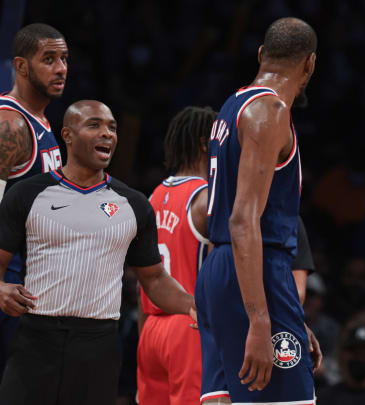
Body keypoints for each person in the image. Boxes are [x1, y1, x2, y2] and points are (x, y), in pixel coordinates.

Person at [0, 100, 196, 405]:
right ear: (67, 134)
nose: (107, 134)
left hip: (99, 344)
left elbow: (155, 280)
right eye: (94, 125)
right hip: (35, 339)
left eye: (112, 128)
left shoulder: (134, 204)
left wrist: (192, 305)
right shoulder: (26, 193)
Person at [195, 17, 321, 404]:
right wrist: (261, 317)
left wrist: (289, 319)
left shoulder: (232, 106)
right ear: (310, 64)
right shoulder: (270, 112)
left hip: (220, 271)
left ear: (262, 55)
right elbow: (243, 219)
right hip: (255, 270)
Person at [136, 106, 216, 405]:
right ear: (205, 143)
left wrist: (144, 339)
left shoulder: (152, 196)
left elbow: (143, 279)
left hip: (152, 329)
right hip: (190, 326)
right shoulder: (208, 197)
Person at [0, 23, 66, 377]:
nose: (60, 69)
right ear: (22, 66)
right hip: (7, 281)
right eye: (49, 59)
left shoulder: (40, 120)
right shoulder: (9, 125)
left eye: (64, 59)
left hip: (32, 283)